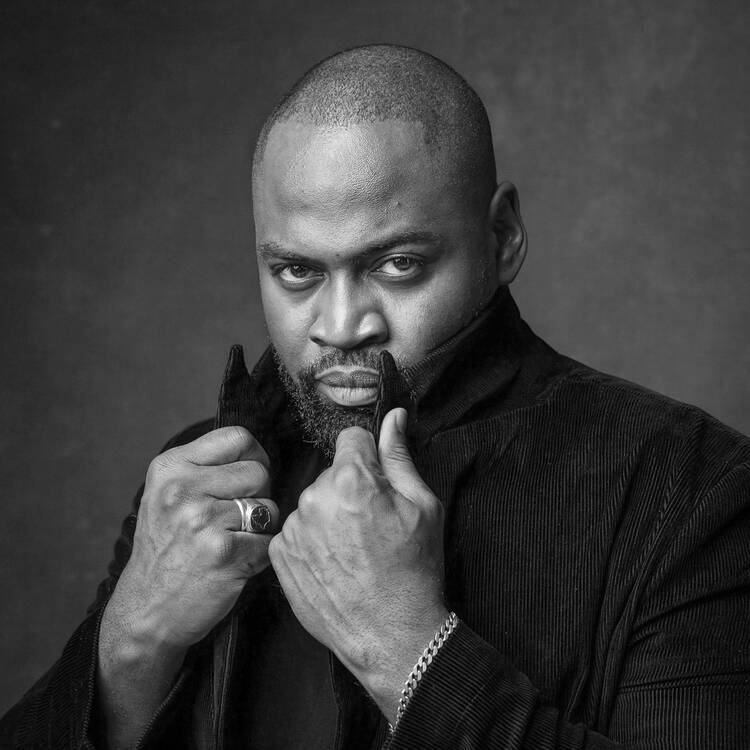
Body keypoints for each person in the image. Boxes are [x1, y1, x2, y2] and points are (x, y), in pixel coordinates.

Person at [2, 44, 749, 750]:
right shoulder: (195, 481)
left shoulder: (692, 489)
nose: (340, 325)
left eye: (396, 264)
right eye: (298, 272)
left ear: (503, 236)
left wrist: (407, 652)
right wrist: (131, 642)